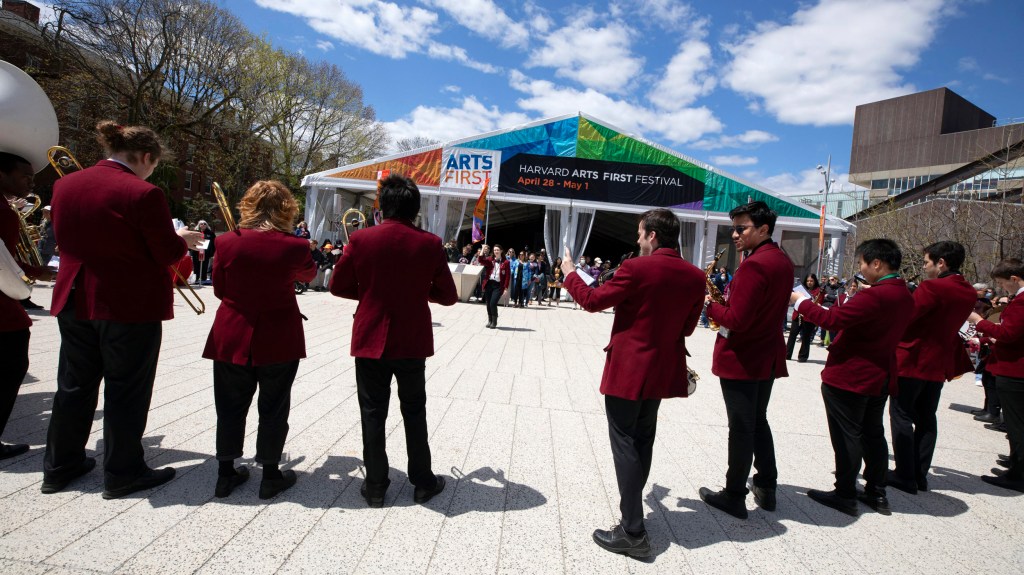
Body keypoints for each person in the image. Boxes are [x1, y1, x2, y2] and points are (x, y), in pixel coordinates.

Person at [42, 121, 204, 498]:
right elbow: (165, 252)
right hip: (127, 303)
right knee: (126, 389)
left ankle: (59, 467)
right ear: (146, 157)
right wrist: (182, 240)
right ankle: (122, 471)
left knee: (73, 385)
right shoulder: (144, 193)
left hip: (75, 297)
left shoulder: (65, 185)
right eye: (153, 163)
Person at [560, 208, 705, 558]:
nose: (637, 240)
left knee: (624, 441)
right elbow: (686, 329)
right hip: (661, 372)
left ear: (652, 235)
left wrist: (569, 274)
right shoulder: (695, 276)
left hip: (628, 370)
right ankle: (633, 513)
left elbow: (592, 301)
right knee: (642, 440)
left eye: (640, 234)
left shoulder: (636, 268)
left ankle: (633, 531)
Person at [330, 174, 458, 507]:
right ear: (415, 209)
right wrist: (418, 291)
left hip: (371, 335)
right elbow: (448, 296)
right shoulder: (430, 243)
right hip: (411, 339)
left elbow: (336, 286)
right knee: (415, 410)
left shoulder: (361, 239)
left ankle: (375, 485)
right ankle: (423, 481)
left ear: (382, 207)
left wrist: (370, 292)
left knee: (372, 412)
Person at [202, 181, 316, 499]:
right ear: (287, 209)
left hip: (231, 332)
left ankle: (225, 474)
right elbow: (308, 275)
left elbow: (220, 289)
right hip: (278, 335)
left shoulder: (226, 242)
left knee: (229, 407)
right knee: (274, 407)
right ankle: (269, 475)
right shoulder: (294, 246)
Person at [791, 239, 914, 516]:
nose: (860, 269)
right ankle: (876, 491)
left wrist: (802, 303)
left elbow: (833, 320)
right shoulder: (904, 294)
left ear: (876, 263)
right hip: (880, 374)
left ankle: (845, 492)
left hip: (852, 376)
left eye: (861, 263)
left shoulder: (875, 295)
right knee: (873, 434)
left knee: (847, 435)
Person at [699, 201, 794, 519]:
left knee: (741, 427)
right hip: (765, 354)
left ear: (763, 229)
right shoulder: (781, 259)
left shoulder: (755, 265)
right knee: (757, 421)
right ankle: (766, 485)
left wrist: (711, 305)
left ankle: (734, 494)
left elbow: (737, 319)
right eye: (734, 228)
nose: (735, 234)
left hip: (743, 356)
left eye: (742, 228)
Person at [888, 241, 977, 494]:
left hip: (912, 358)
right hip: (938, 362)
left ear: (941, 262)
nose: (924, 267)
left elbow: (908, 318)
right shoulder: (969, 291)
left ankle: (904, 474)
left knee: (901, 415)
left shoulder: (933, 287)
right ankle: (919, 474)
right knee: (927, 417)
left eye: (926, 262)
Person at [0, 152, 55, 459]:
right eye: (25, 177)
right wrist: (36, 271)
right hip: (3, 302)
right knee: (12, 364)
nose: (31, 183)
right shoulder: (4, 212)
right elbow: (3, 261)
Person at [968, 259, 1024, 492]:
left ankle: (1018, 474)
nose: (1002, 288)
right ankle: (1016, 465)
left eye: (1002, 283)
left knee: (1017, 425)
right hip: (1013, 367)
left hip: (1014, 370)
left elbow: (1008, 334)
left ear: (1014, 279)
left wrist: (979, 322)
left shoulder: (1021, 302)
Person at [787, 273, 821, 362]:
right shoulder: (800, 290)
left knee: (806, 336)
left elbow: (817, 304)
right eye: (808, 281)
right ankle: (787, 354)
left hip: (808, 318)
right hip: (797, 315)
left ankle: (803, 356)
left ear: (815, 281)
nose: (809, 282)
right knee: (792, 335)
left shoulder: (818, 291)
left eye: (811, 281)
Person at [478, 244, 510, 328]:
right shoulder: (490, 259)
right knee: (488, 303)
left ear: (501, 251)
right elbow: (480, 260)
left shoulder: (506, 262)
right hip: (489, 284)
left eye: (497, 250)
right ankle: (490, 320)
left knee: (493, 303)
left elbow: (507, 276)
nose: (496, 251)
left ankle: (494, 321)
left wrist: (506, 288)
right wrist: (482, 249)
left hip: (498, 286)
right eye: (495, 250)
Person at [190, 219, 216, 285]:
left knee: (205, 265)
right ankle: (196, 278)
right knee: (196, 265)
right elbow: (191, 242)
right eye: (201, 224)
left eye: (204, 224)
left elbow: (214, 243)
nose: (203, 225)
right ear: (199, 225)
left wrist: (213, 252)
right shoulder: (195, 232)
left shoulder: (210, 233)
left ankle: (203, 278)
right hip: (196, 251)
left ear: (206, 225)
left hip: (206, 252)